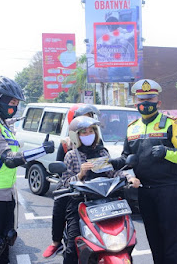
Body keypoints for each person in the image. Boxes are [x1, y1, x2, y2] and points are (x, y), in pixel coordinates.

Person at [110, 79, 177, 264]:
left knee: (171, 237)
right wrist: (113, 163)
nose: (145, 103)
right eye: (142, 99)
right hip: (145, 190)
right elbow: (127, 156)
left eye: (150, 98)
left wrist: (167, 153)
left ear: (159, 102)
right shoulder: (132, 128)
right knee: (153, 237)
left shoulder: (172, 123)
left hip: (169, 188)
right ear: (135, 102)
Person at [0, 76, 55, 264]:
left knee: (6, 240)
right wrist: (41, 150)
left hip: (7, 193)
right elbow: (9, 159)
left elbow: (17, 156)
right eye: (11, 103)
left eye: (17, 103)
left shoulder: (4, 125)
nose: (14, 107)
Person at [60, 116, 140, 263]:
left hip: (105, 203)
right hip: (80, 204)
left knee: (124, 238)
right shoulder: (71, 156)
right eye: (84, 132)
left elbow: (113, 172)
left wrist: (129, 177)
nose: (88, 135)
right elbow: (65, 183)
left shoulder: (102, 152)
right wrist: (80, 174)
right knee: (72, 245)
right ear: (76, 136)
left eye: (91, 131)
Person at [42, 104, 101, 259]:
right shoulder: (66, 145)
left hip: (93, 191)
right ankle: (56, 242)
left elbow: (107, 168)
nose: (87, 123)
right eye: (83, 118)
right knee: (60, 204)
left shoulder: (99, 146)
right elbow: (62, 172)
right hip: (71, 187)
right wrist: (78, 175)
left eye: (90, 117)